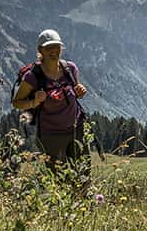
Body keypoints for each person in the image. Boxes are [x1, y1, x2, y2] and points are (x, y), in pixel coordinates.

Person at [11, 29, 90, 186]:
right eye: (49, 48)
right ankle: (61, 210)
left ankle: (86, 208)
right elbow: (17, 102)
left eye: (57, 47)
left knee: (83, 176)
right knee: (58, 181)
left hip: (76, 129)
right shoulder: (33, 76)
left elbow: (74, 93)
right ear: (40, 51)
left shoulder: (70, 69)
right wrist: (34, 102)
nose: (54, 51)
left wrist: (80, 92)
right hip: (51, 135)